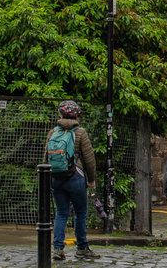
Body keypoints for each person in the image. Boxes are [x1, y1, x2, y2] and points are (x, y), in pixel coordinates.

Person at [45, 100, 98, 261]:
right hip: (75, 176)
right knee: (80, 213)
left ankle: (58, 249)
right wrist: (91, 179)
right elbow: (89, 158)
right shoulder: (80, 132)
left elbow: (46, 156)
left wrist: (48, 177)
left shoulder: (52, 132)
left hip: (56, 177)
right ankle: (82, 247)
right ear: (77, 115)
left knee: (61, 213)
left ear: (60, 114)